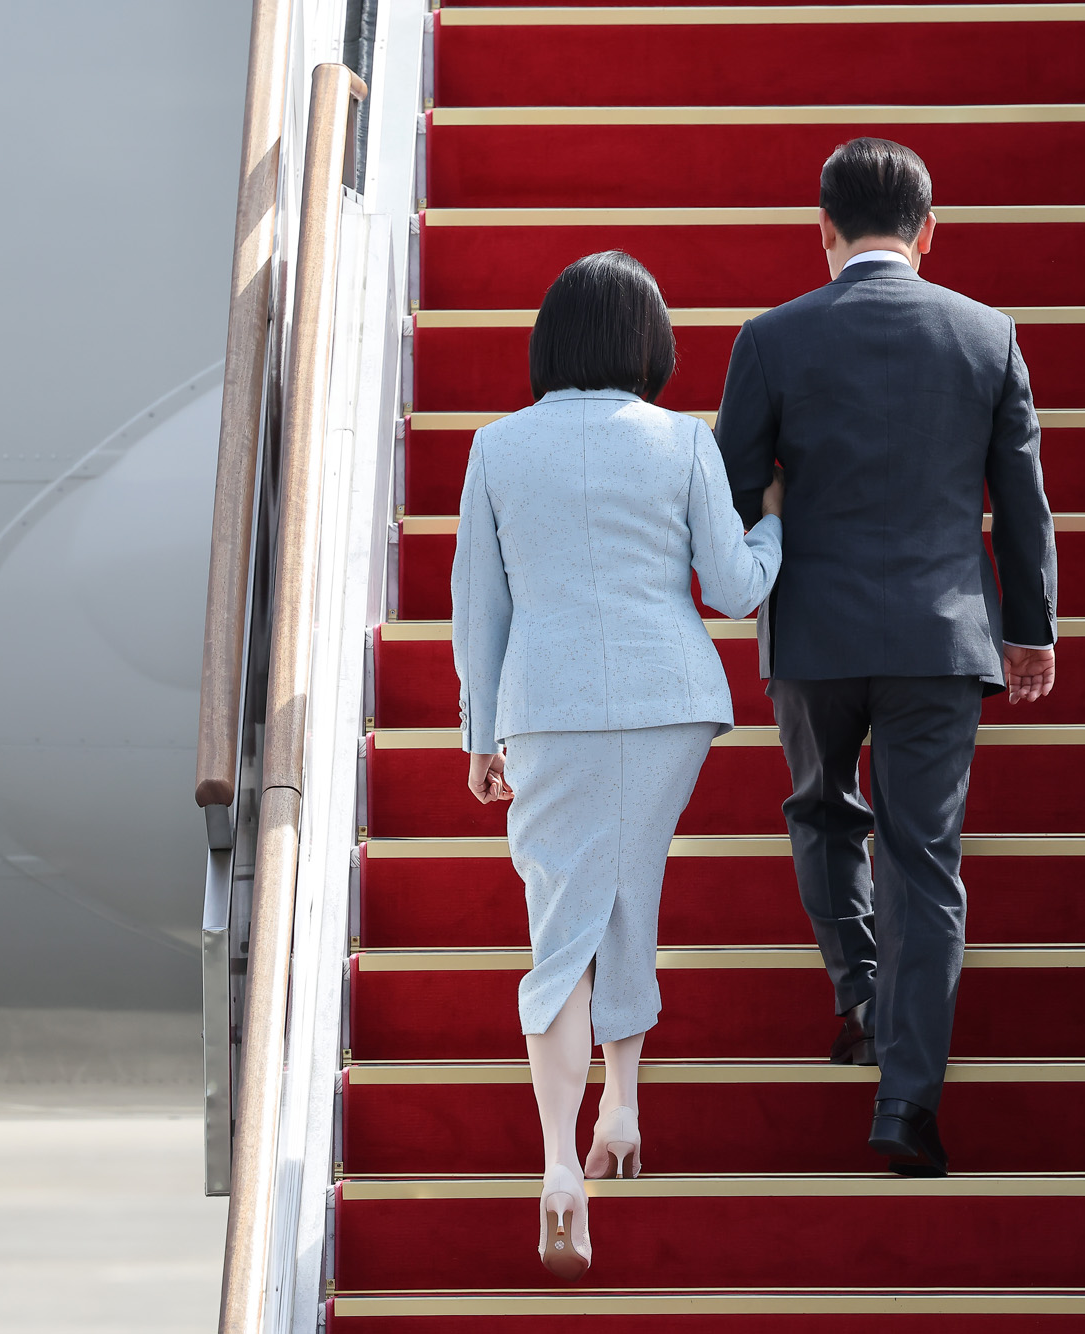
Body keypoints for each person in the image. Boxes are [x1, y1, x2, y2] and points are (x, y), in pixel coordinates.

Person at [714, 138, 1058, 1177]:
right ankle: (906, 1100)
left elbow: (729, 491)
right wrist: (1029, 627)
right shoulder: (985, 336)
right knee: (925, 862)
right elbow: (1021, 501)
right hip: (938, 638)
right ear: (928, 229)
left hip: (812, 633)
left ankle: (856, 985)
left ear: (822, 230)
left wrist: (773, 515)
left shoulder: (770, 338)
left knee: (822, 810)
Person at [450, 251, 784, 1280]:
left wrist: (476, 734)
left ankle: (559, 1160)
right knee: (627, 890)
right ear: (648, 342)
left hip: (547, 707)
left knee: (562, 926)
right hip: (667, 702)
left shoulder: (496, 447)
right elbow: (732, 589)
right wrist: (773, 523)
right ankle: (625, 1106)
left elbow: (479, 608)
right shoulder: (682, 441)